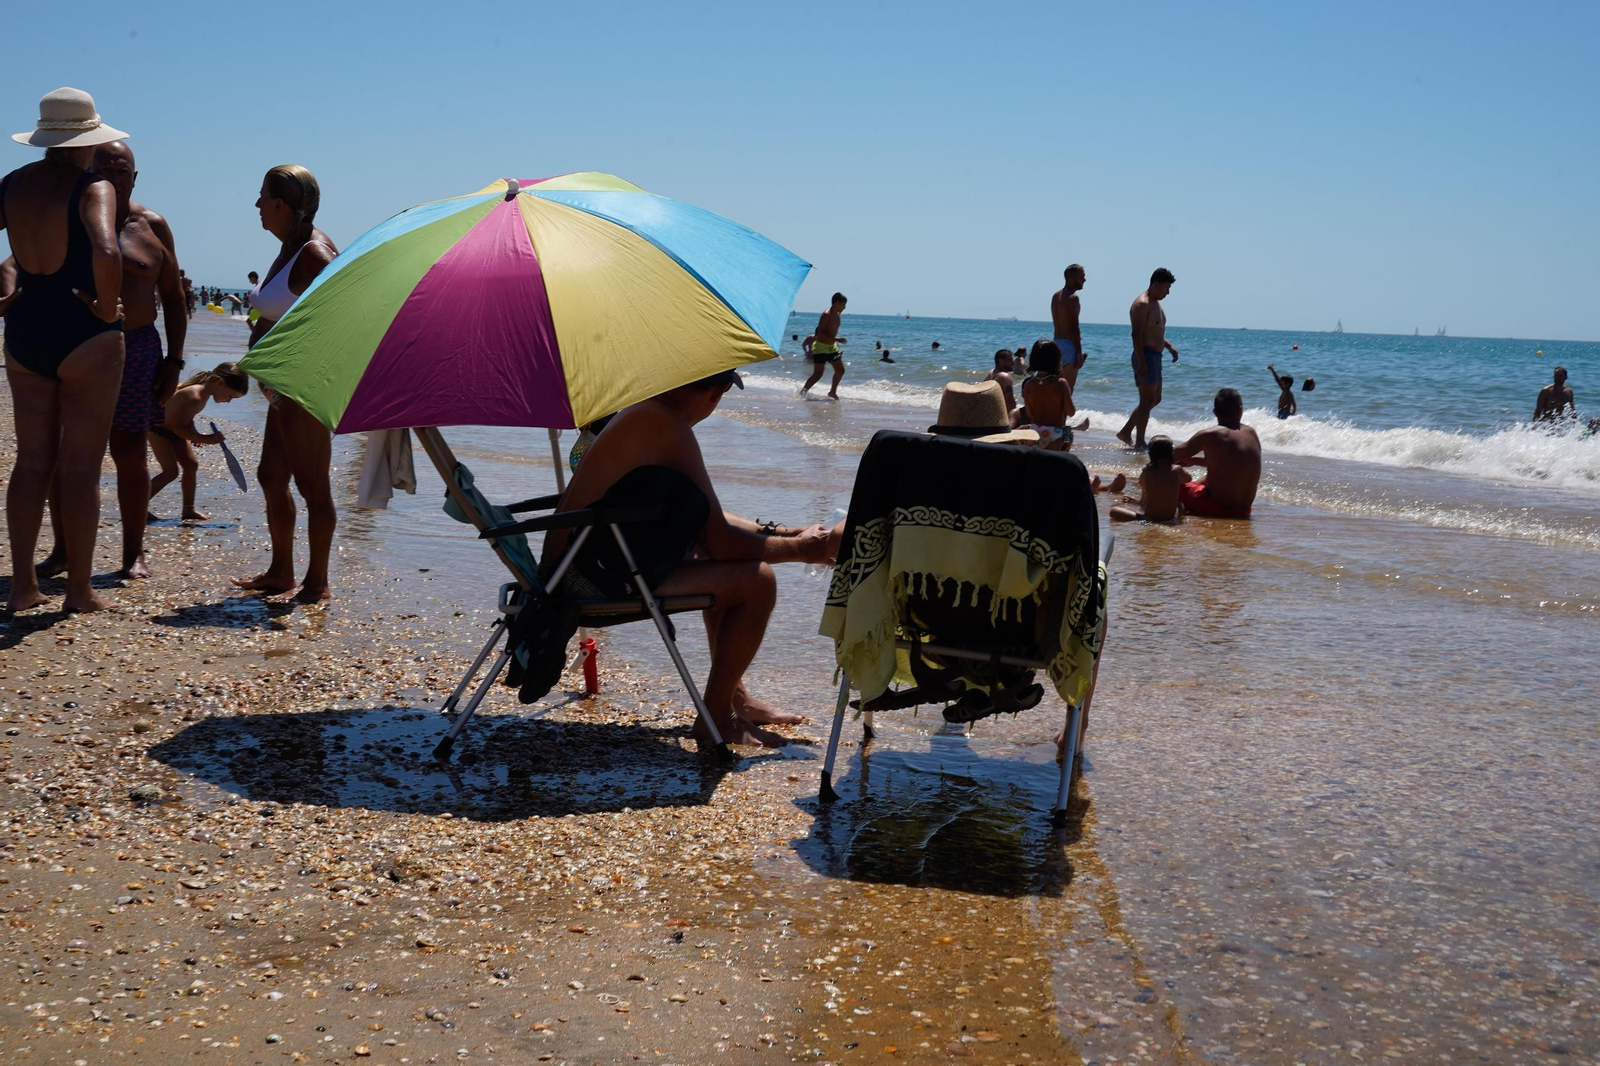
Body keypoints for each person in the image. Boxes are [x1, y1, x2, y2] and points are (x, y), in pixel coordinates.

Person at [544, 370, 835, 747]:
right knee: (757, 582)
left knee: (723, 564)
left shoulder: (644, 414)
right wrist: (803, 551)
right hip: (582, 581)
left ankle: (736, 700)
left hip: (572, 567)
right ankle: (717, 719)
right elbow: (723, 541)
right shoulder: (664, 426)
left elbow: (705, 516)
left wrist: (786, 533)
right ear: (715, 392)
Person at [34, 140, 186, 580]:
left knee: (130, 451)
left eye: (123, 171)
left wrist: (174, 361)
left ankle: (132, 553)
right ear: (88, 171)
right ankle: (63, 550)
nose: (114, 177)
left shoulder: (152, 224)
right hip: (79, 344)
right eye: (105, 169)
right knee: (71, 453)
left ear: (134, 178)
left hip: (138, 347)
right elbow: (22, 262)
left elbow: (174, 298)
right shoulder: (72, 216)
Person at [1, 88, 127, 613]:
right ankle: (78, 592)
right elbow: (104, 247)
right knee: (80, 467)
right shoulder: (93, 185)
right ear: (88, 139)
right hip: (84, 333)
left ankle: (23, 587)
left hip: (26, 328)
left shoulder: (13, 183)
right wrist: (105, 306)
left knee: (31, 462)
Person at [231, 164, 338, 602]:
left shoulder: (315, 252)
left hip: (304, 384)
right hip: (280, 384)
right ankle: (281, 571)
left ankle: (317, 582)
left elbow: (344, 312)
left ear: (281, 204)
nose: (257, 205)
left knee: (313, 485)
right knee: (272, 474)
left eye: (262, 197)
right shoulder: (289, 247)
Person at [150, 363, 249, 519]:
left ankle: (188, 510)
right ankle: (137, 505)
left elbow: (186, 419)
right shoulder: (195, 396)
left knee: (191, 465)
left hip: (173, 429)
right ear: (220, 383)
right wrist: (204, 438)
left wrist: (194, 433)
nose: (229, 401)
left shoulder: (202, 395)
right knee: (170, 472)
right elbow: (178, 427)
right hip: (158, 429)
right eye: (231, 396)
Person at [1171, 388, 1261, 519]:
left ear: (1214, 412)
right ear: (1239, 410)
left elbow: (1166, 454)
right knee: (1206, 479)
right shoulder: (1251, 433)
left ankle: (1149, 501)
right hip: (1244, 510)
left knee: (1169, 480)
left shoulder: (1210, 434)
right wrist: (1195, 461)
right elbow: (1230, 464)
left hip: (1216, 508)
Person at [1116, 268, 1179, 449]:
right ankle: (1139, 442)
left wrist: (1169, 347)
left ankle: (1126, 431)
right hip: (1145, 356)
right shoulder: (1142, 304)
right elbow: (1137, 335)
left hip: (1155, 356)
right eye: (1166, 288)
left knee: (1155, 399)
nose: (1167, 292)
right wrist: (1142, 362)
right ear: (1156, 284)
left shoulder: (1156, 303)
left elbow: (1155, 332)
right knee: (1146, 401)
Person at [1011, 340, 1088, 449]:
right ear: (1056, 360)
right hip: (1055, 433)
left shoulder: (1029, 384)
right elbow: (1071, 412)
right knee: (1067, 435)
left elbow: (1030, 413)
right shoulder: (1061, 383)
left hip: (1034, 433)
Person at [1110, 435, 1188, 522]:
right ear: (1171, 453)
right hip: (1169, 519)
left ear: (1150, 454)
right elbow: (1188, 479)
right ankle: (1175, 520)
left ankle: (1140, 517)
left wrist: (1138, 502)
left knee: (1114, 511)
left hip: (1149, 519)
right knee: (1180, 505)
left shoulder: (1147, 471)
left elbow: (1144, 489)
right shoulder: (1177, 470)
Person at [801, 292, 848, 399]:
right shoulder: (826, 315)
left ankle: (832, 392)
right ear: (837, 303)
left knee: (840, 371)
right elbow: (820, 333)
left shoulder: (837, 314)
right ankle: (802, 392)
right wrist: (837, 339)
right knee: (818, 374)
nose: (845, 307)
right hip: (821, 347)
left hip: (832, 348)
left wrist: (835, 342)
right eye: (843, 304)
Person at [1051, 263, 1088, 391]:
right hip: (1068, 346)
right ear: (1072, 278)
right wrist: (1078, 352)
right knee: (1067, 391)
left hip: (1056, 346)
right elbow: (1074, 327)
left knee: (1055, 390)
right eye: (1082, 277)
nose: (1084, 280)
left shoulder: (1056, 296)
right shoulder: (1073, 298)